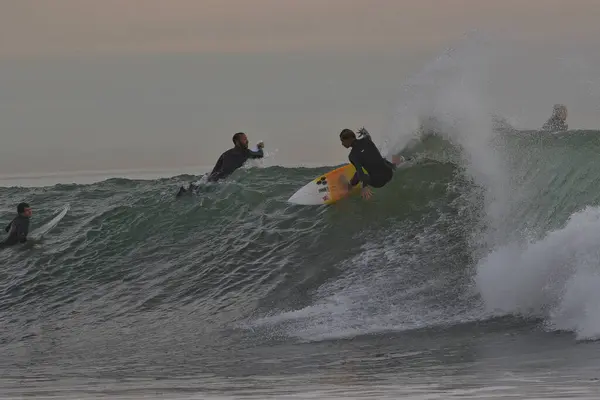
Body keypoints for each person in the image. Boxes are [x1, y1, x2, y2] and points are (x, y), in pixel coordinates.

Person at [176, 132, 265, 197]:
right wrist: (259, 147)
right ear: (237, 142)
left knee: (199, 188)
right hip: (221, 181)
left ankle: (186, 191)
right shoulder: (246, 153)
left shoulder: (225, 154)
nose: (247, 141)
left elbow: (215, 170)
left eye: (247, 139)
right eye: (244, 139)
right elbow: (260, 154)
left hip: (213, 179)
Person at [339, 127, 401, 200]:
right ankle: (399, 163)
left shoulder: (352, 156)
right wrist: (364, 131)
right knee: (383, 159)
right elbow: (367, 135)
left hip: (378, 182)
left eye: (343, 141)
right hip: (389, 173)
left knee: (357, 174)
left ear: (349, 139)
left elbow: (360, 172)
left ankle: (349, 186)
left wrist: (364, 186)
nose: (342, 144)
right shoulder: (367, 140)